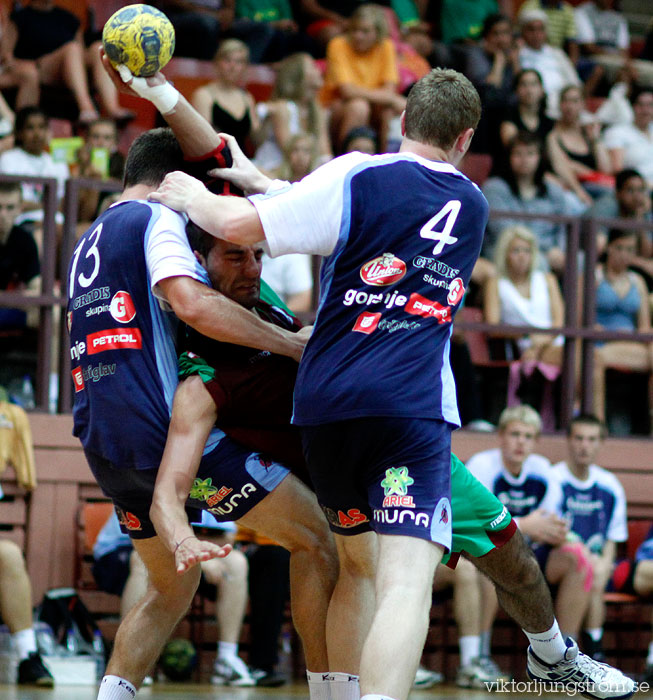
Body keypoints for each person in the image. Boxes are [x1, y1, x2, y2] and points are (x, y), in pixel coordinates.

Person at [151, 67, 636, 700]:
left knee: (359, 568)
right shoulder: (474, 203)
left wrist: (187, 197)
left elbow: (281, 216)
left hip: (323, 408)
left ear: (401, 122)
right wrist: (273, 187)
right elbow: (378, 214)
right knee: (402, 583)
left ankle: (542, 657)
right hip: (407, 409)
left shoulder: (355, 174)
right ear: (465, 141)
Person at [69, 54, 339, 700]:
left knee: (173, 585)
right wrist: (288, 344)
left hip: (105, 447)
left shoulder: (90, 236)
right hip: (166, 434)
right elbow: (193, 305)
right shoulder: (158, 218)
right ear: (172, 180)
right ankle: (334, 692)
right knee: (318, 542)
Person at [467, 406, 593, 649]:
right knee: (487, 562)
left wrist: (551, 532)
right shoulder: (481, 466)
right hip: (491, 551)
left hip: (532, 552)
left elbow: (549, 523)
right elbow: (477, 525)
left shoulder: (542, 469)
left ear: (535, 441)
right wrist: (524, 524)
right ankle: (480, 654)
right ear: (501, 436)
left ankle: (566, 654)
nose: (520, 443)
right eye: (515, 434)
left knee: (579, 559)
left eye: (528, 436)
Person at [92, 511, 253, 685]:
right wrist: (197, 558)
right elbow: (146, 537)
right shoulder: (149, 484)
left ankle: (226, 658)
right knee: (142, 560)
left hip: (183, 547)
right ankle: (129, 661)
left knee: (237, 563)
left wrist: (196, 553)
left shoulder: (208, 486)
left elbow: (226, 537)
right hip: (123, 548)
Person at [552, 414, 628, 662]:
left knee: (594, 571)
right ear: (569, 441)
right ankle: (592, 653)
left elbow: (612, 542)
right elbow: (551, 533)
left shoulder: (610, 485)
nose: (585, 445)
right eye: (579, 438)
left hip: (594, 567)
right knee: (584, 565)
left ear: (600, 444)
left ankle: (588, 655)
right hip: (556, 563)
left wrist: (605, 565)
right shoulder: (554, 478)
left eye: (592, 439)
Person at [321, 4, 406, 153]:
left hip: (373, 106)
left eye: (365, 31)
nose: (358, 36)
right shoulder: (338, 45)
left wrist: (390, 98)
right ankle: (346, 161)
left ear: (378, 33)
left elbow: (389, 89)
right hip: (336, 108)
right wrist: (391, 98)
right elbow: (347, 91)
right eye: (354, 30)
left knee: (388, 110)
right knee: (359, 106)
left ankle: (387, 161)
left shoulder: (386, 46)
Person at [482, 131, 571, 272]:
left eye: (530, 153)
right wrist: (545, 251)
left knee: (579, 261)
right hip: (505, 251)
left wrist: (559, 250)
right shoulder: (493, 188)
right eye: (518, 153)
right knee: (538, 262)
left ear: (540, 157)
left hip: (548, 254)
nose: (524, 159)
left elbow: (562, 228)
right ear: (508, 157)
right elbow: (505, 231)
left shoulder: (554, 191)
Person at [591, 227, 653, 426]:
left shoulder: (639, 282)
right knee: (596, 359)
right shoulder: (593, 277)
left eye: (630, 249)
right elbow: (583, 322)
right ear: (609, 247)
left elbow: (644, 327)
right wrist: (615, 334)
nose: (624, 254)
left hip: (630, 344)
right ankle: (598, 424)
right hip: (600, 344)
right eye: (620, 248)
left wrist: (633, 337)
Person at [254, 52, 331, 172]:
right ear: (298, 76)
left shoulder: (317, 110)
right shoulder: (283, 108)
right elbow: (292, 153)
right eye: (313, 66)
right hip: (274, 171)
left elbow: (325, 153)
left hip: (303, 173)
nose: (319, 70)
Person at [0, 106, 68, 229]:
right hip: (21, 223)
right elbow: (16, 204)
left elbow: (64, 204)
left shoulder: (58, 163)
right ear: (19, 133)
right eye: (30, 128)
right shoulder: (9, 159)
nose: (37, 134)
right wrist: (49, 206)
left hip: (58, 223)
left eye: (41, 127)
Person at [190, 39, 261, 156]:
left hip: (244, 161)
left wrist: (267, 116)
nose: (232, 66)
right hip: (216, 160)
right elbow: (202, 138)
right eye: (227, 60)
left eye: (239, 62)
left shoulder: (247, 97)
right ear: (217, 63)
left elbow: (257, 140)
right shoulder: (204, 95)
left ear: (245, 67)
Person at [546, 85, 613, 203]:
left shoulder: (589, 133)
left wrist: (596, 140)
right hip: (572, 190)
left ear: (583, 105)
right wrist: (580, 193)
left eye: (575, 101)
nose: (569, 106)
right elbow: (562, 168)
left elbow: (606, 170)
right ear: (560, 105)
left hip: (597, 185)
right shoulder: (553, 136)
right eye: (565, 101)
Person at [518, 10, 581, 119]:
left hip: (566, 106)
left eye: (540, 29)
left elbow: (574, 82)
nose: (536, 34)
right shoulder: (519, 55)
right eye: (531, 29)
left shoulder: (557, 53)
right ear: (523, 32)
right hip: (539, 110)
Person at [603, 86, 653, 187]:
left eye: (650, 105)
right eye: (641, 105)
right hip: (639, 189)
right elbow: (619, 170)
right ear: (633, 106)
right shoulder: (618, 132)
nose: (645, 110)